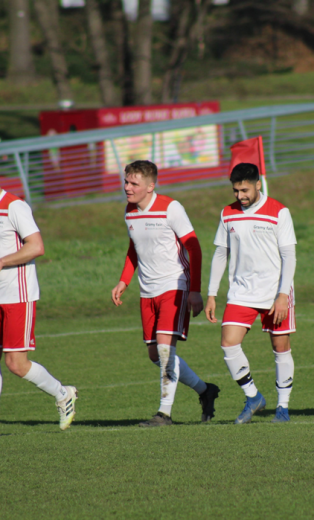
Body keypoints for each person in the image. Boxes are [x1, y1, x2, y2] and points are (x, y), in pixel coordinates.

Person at [0, 153, 77, 439]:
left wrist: (2, 262)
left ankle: (63, 394)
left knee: (15, 364)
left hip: (17, 296)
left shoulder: (15, 206)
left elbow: (36, 246)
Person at [111, 160, 219, 427]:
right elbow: (134, 247)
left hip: (175, 285)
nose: (127, 188)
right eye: (126, 182)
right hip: (147, 292)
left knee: (164, 348)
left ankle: (164, 414)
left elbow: (194, 249)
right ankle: (206, 391)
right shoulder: (130, 211)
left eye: (134, 183)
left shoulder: (172, 208)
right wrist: (124, 280)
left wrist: (195, 290)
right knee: (154, 355)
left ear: (151, 186)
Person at [204, 163, 297, 424]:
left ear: (258, 184)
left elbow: (289, 256)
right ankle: (253, 396)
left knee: (281, 347)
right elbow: (221, 253)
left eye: (244, 189)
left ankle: (283, 407)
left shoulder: (279, 211)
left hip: (274, 292)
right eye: (235, 190)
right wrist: (212, 294)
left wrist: (282, 295)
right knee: (228, 342)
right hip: (241, 292)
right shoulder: (227, 213)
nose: (239, 195)